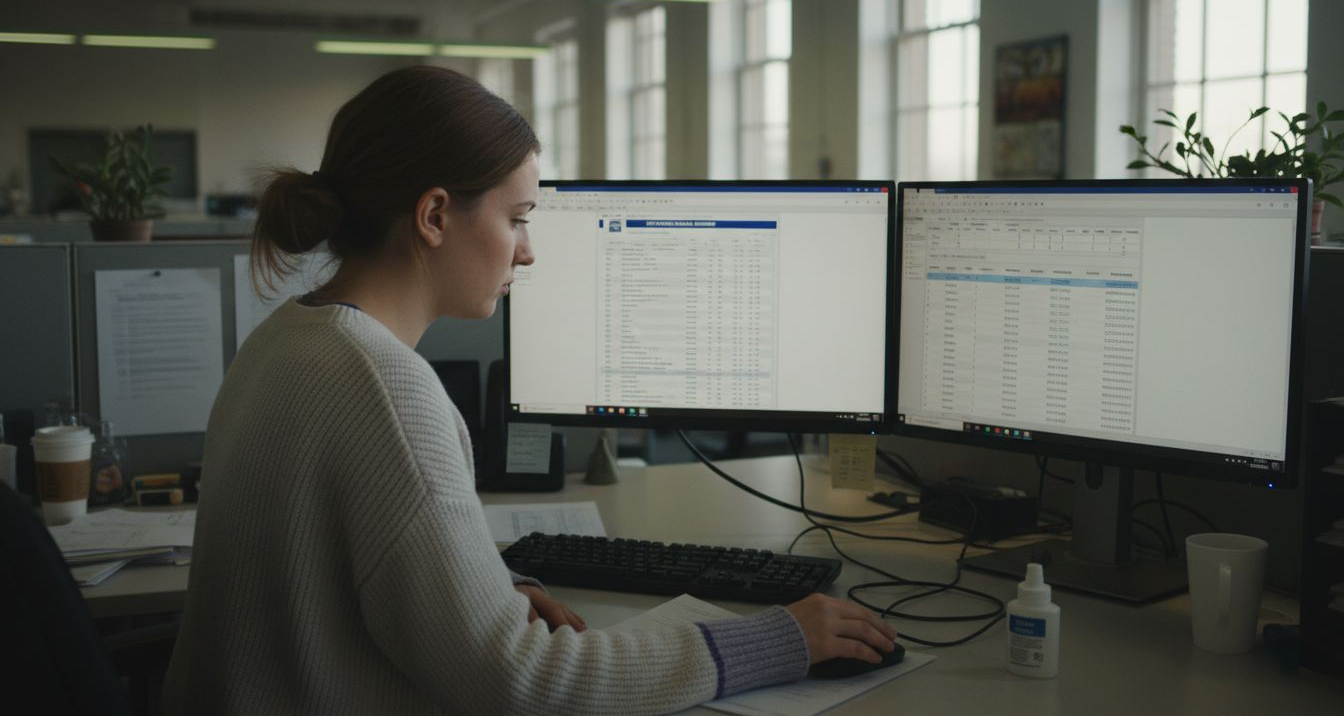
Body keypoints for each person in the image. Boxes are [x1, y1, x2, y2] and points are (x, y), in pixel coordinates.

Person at [161, 65, 897, 714]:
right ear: (435, 215)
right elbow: (529, 685)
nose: (529, 250)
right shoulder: (385, 387)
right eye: (516, 219)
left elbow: (337, 576)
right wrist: (780, 639)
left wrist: (485, 590)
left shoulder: (288, 337)